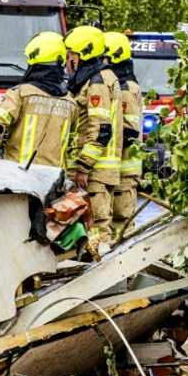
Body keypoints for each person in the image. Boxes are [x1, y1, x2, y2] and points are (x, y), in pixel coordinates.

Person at [0, 32, 82, 170]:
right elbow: (73, 143)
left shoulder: (21, 94)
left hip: (21, 178)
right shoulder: (70, 101)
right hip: (53, 181)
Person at [63, 25, 123, 246]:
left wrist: (84, 166)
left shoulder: (97, 82)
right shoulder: (96, 78)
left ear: (85, 53)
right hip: (96, 168)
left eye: (73, 54)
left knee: (98, 227)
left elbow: (100, 129)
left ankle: (100, 271)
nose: (70, 59)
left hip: (95, 171)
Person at [104, 31, 144, 236]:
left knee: (121, 229)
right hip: (119, 171)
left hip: (123, 172)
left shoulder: (125, 89)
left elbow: (129, 131)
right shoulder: (121, 85)